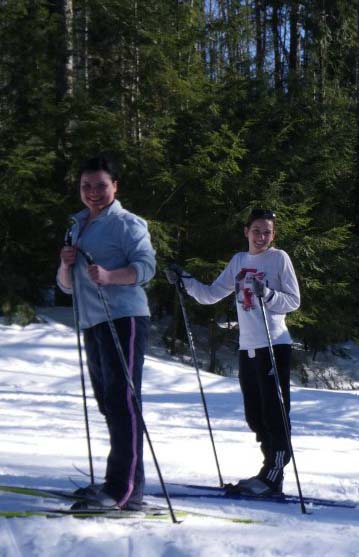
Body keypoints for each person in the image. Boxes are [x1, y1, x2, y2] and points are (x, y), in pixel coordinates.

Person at [167, 209, 300, 496]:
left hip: (273, 344)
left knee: (274, 412)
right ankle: (267, 471)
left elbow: (293, 301)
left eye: (267, 232)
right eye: (257, 231)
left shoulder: (279, 259)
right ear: (246, 232)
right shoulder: (239, 261)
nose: (262, 237)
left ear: (273, 234)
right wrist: (185, 281)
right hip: (248, 346)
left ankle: (274, 475)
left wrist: (268, 294)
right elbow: (211, 293)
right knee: (255, 414)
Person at [57, 155, 156, 511]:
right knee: (110, 403)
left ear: (115, 186)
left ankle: (121, 488)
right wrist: (67, 267)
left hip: (124, 318)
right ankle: (130, 485)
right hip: (93, 321)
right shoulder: (77, 225)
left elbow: (146, 267)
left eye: (101, 185)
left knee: (123, 402)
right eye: (86, 186)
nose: (93, 192)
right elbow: (66, 286)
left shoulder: (127, 224)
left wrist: (112, 276)